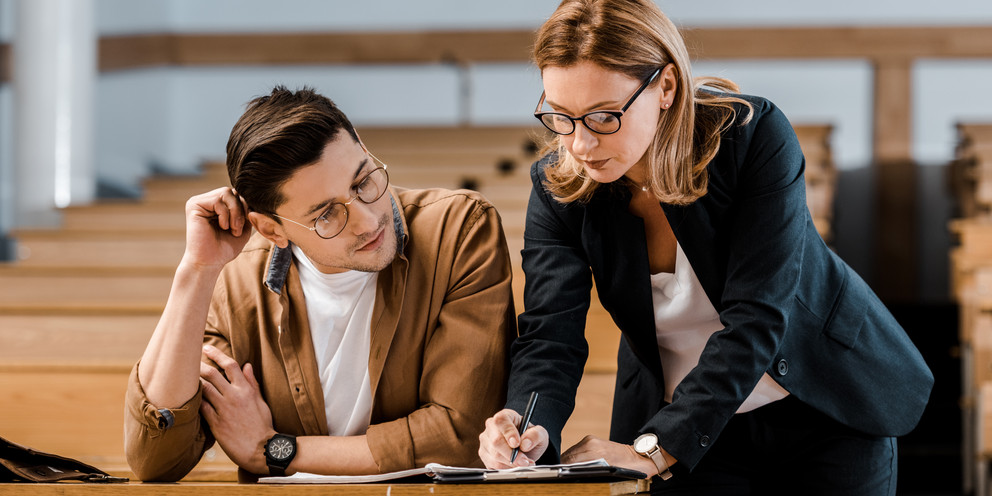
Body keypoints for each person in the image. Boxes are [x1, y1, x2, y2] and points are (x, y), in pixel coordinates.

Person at [477, 1, 934, 494]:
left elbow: (756, 318)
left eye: (604, 117)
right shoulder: (557, 188)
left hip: (824, 401)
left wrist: (650, 451)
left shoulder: (751, 136)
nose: (581, 144)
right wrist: (527, 427)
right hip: (687, 420)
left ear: (665, 88)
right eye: (560, 117)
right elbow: (551, 337)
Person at [124, 86, 516, 482]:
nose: (367, 221)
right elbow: (156, 460)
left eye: (363, 182)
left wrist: (274, 450)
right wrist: (197, 270)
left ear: (362, 145)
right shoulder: (236, 282)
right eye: (327, 215)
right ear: (270, 229)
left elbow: (460, 438)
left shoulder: (459, 230)